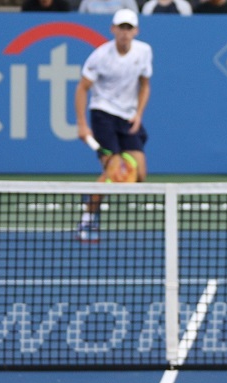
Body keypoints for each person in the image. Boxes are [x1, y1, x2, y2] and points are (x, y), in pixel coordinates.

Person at [73, 8, 152, 243]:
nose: (125, 33)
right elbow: (82, 88)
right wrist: (82, 124)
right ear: (113, 29)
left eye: (129, 28)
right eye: (121, 28)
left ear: (135, 31)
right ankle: (87, 220)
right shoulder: (100, 56)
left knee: (140, 174)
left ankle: (93, 199)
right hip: (103, 115)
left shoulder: (144, 51)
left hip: (127, 117)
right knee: (114, 171)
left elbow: (145, 85)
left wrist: (138, 114)